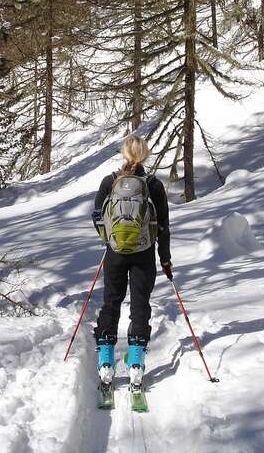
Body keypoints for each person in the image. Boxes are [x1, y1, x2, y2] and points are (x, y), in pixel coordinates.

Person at [91, 134, 172, 387]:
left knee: (111, 302)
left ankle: (106, 360)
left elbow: (97, 216)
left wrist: (109, 239)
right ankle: (136, 361)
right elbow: (163, 227)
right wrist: (165, 259)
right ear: (144, 155)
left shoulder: (110, 181)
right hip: (144, 253)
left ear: (124, 154)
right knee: (140, 304)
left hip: (115, 253)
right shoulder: (154, 185)